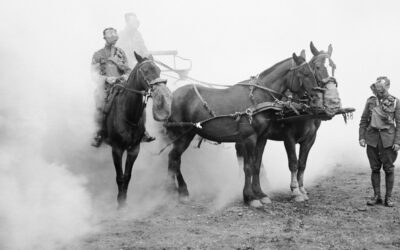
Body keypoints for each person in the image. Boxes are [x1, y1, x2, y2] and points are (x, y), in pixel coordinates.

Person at [91, 27, 154, 147]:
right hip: (106, 87)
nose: (113, 37)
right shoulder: (98, 55)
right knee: (101, 105)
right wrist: (106, 79)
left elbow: (128, 69)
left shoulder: (121, 53)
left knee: (139, 103)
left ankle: (142, 131)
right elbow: (93, 74)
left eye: (114, 35)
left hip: (122, 86)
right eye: (110, 35)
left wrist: (125, 76)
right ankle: (100, 133)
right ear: (105, 38)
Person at [359, 76, 400, 207]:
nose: (379, 90)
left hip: (388, 140)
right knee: (375, 168)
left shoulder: (395, 102)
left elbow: (399, 124)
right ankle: (377, 196)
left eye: (382, 87)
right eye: (377, 88)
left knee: (389, 169)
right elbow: (364, 120)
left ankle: (388, 198)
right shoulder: (371, 101)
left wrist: (398, 142)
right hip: (372, 140)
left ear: (387, 86)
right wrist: (361, 137)